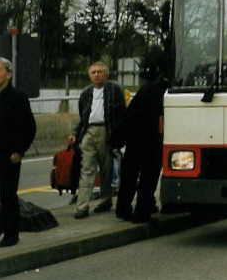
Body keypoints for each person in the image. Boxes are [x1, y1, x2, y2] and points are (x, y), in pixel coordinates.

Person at [68, 61, 126, 219]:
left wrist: (119, 135)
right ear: (89, 75)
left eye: (100, 72)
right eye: (93, 72)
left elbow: (122, 113)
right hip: (89, 132)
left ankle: (106, 200)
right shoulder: (86, 93)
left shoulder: (115, 89)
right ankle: (82, 206)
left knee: (106, 169)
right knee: (86, 169)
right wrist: (75, 132)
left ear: (106, 74)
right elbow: (83, 117)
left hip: (107, 131)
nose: (96, 75)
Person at [0, 57, 37, 247]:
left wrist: (19, 150)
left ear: (8, 74)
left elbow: (29, 127)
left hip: (8, 155)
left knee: (8, 196)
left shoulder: (17, 97)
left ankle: (11, 235)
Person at [115, 79, 166, 223]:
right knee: (149, 176)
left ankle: (123, 208)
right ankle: (142, 212)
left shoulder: (145, 91)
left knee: (129, 175)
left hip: (133, 137)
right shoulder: (163, 93)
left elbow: (129, 115)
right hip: (152, 139)